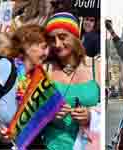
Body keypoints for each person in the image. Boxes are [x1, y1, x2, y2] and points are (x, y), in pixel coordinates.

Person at [43, 13, 103, 150]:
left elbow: (106, 108)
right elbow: (29, 115)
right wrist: (48, 114)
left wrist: (90, 116)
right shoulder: (44, 69)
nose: (57, 44)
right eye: (52, 39)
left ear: (75, 36)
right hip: (51, 145)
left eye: (62, 37)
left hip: (89, 145)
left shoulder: (96, 66)